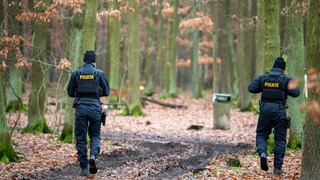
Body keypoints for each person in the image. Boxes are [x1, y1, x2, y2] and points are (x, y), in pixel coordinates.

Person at [248, 57, 300, 175]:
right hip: (279, 111)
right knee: (280, 140)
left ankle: (262, 153)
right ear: (283, 68)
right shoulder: (286, 79)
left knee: (261, 134)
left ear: (273, 66)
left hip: (265, 110)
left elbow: (251, 88)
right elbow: (296, 93)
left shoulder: (263, 77)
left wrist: (263, 87)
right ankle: (277, 168)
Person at [67, 50, 110, 176]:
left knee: (81, 139)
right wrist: (97, 92)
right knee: (95, 136)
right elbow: (106, 91)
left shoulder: (76, 73)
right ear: (94, 61)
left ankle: (84, 168)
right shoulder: (99, 73)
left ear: (84, 60)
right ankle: (93, 156)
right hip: (95, 108)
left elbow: (70, 92)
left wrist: (80, 93)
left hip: (81, 108)